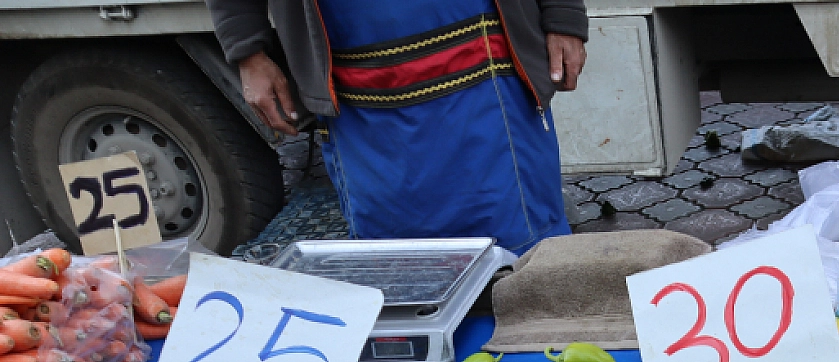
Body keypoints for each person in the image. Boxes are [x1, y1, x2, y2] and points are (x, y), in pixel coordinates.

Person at [207, 0, 588, 253]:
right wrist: (247, 51)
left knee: (527, 264)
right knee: (398, 266)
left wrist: (563, 13)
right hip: (359, 96)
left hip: (487, 73)